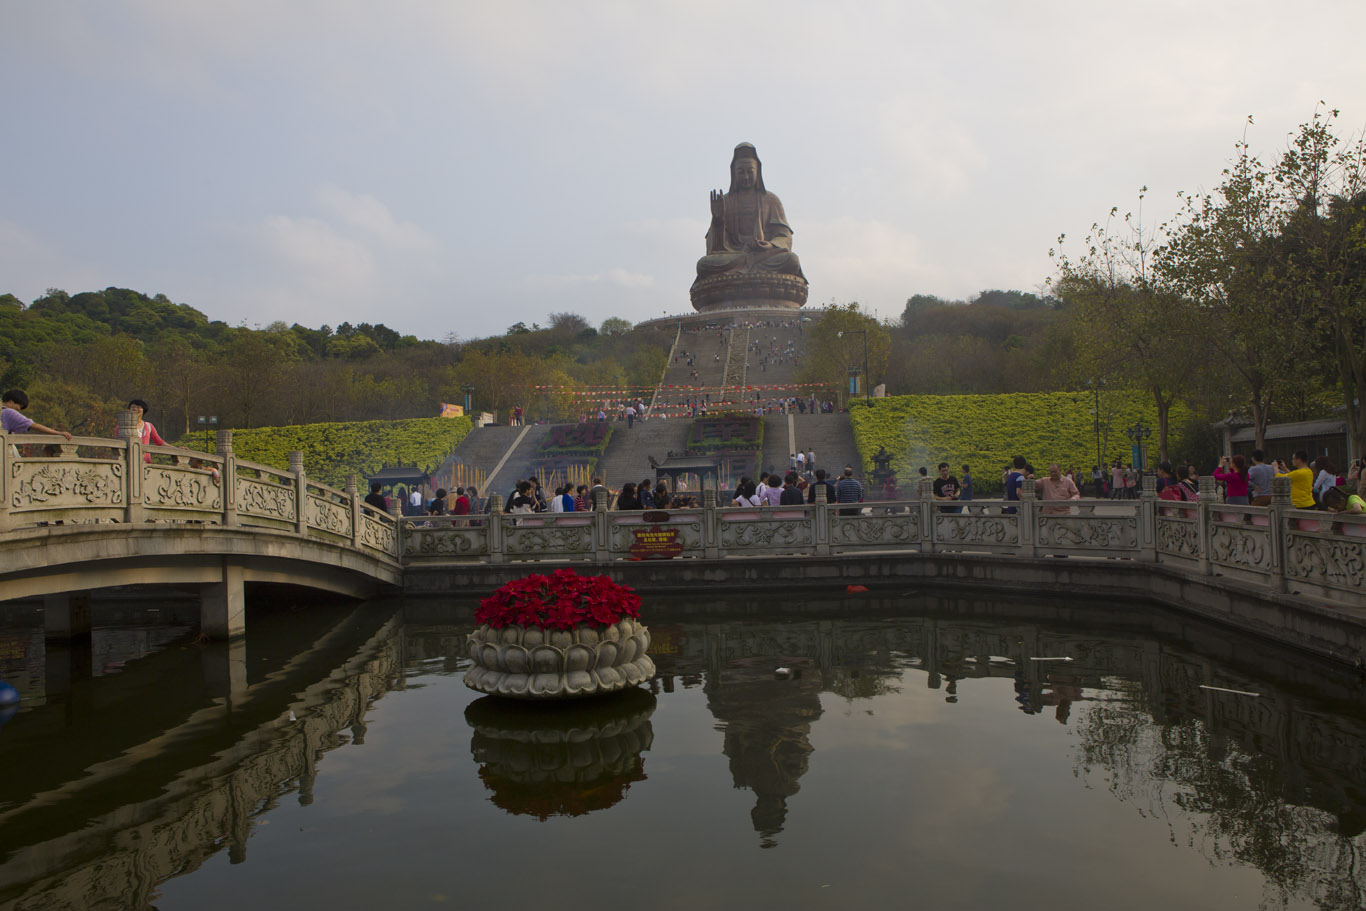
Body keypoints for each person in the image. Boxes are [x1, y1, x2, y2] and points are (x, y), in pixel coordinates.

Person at [693, 143, 806, 286]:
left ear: (757, 172)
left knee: (791, 260)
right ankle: (746, 270)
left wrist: (771, 246)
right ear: (734, 173)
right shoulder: (726, 201)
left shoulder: (770, 200)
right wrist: (717, 220)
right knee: (704, 265)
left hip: (763, 256)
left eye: (750, 171)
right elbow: (713, 248)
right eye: (741, 172)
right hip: (734, 257)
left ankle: (746, 271)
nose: (746, 177)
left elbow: (784, 236)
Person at [2, 389, 72, 443]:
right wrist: (58, 433)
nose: (18, 411)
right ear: (11, 401)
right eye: (18, 407)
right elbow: (32, 425)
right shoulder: (8, 412)